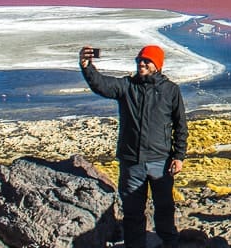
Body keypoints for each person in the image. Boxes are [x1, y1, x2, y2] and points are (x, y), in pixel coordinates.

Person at [79, 44, 188, 248]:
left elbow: (180, 125)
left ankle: (169, 242)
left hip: (160, 162)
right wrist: (87, 67)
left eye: (147, 61)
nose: (142, 64)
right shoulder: (127, 86)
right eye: (139, 61)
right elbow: (102, 85)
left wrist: (179, 156)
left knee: (164, 207)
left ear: (157, 65)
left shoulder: (170, 90)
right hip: (132, 163)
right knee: (133, 212)